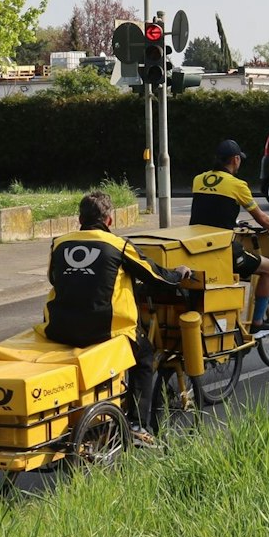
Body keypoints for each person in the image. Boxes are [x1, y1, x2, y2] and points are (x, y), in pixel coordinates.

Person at [44, 190, 189, 444]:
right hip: (101, 329)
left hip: (58, 327)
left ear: (79, 219)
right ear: (109, 220)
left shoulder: (59, 243)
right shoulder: (118, 245)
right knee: (144, 355)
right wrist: (178, 274)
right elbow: (154, 274)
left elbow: (53, 279)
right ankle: (137, 425)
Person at [190, 139, 269, 336]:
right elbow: (261, 218)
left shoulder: (198, 179)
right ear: (235, 160)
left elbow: (211, 210)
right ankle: (258, 323)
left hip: (197, 248)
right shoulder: (237, 185)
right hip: (221, 250)